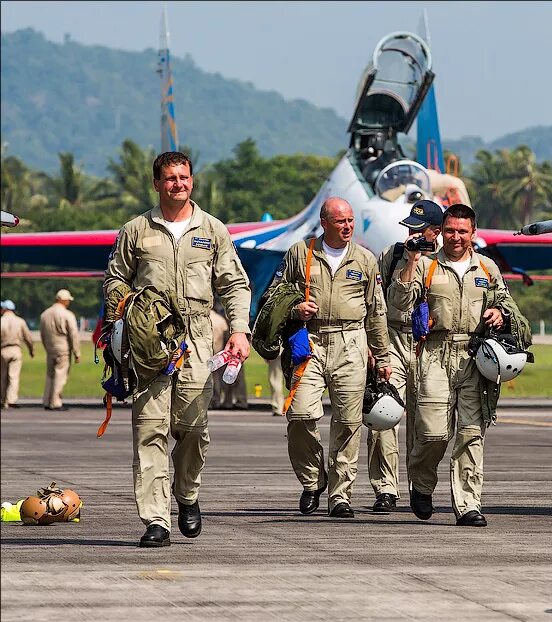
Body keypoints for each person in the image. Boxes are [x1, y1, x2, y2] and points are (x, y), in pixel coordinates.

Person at [104, 150, 251, 548]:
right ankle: (156, 519)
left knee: (192, 430)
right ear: (157, 183)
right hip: (151, 347)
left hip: (199, 339)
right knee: (149, 430)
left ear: (192, 181)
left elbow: (234, 284)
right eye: (170, 178)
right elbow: (114, 280)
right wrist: (128, 315)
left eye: (184, 177)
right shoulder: (136, 230)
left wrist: (239, 330)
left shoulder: (213, 229)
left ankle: (187, 494)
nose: (178, 184)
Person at [390, 203, 517, 527]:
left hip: (476, 356)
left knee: (471, 433)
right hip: (434, 353)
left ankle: (468, 504)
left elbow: (506, 303)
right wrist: (411, 261)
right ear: (441, 232)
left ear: (473, 233)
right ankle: (421, 483)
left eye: (462, 231)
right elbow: (399, 303)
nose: (456, 237)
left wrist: (500, 314)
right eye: (450, 231)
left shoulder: (487, 269)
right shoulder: (426, 266)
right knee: (433, 433)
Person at [270, 197, 391, 519]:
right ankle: (313, 480)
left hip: (351, 342)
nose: (348, 226)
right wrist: (295, 310)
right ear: (324, 223)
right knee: (300, 416)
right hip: (309, 342)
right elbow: (274, 296)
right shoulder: (300, 253)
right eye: (340, 221)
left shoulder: (365, 260)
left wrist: (382, 356)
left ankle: (340, 495)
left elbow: (376, 311)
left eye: (350, 220)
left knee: (348, 424)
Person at [366, 199, 443, 514]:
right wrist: (374, 347)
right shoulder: (393, 255)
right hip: (394, 339)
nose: (412, 233)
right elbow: (381, 301)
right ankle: (385, 488)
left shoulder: (448, 261)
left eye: (419, 228)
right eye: (410, 227)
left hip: (430, 345)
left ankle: (419, 487)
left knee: (425, 422)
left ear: (436, 232)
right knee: (384, 415)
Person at [39, 288, 80, 411]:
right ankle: (55, 402)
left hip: (50, 348)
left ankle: (47, 400)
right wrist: (77, 352)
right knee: (60, 375)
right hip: (63, 349)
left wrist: (47, 347)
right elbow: (73, 334)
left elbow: (42, 334)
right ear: (64, 301)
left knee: (50, 375)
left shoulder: (45, 314)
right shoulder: (67, 315)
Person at [1, 299, 35, 409]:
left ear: (4, 309)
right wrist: (31, 350)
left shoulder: (1, 321)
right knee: (13, 376)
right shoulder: (20, 321)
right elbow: (28, 337)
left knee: (2, 377)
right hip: (15, 349)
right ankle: (11, 400)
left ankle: (3, 400)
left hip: (3, 350)